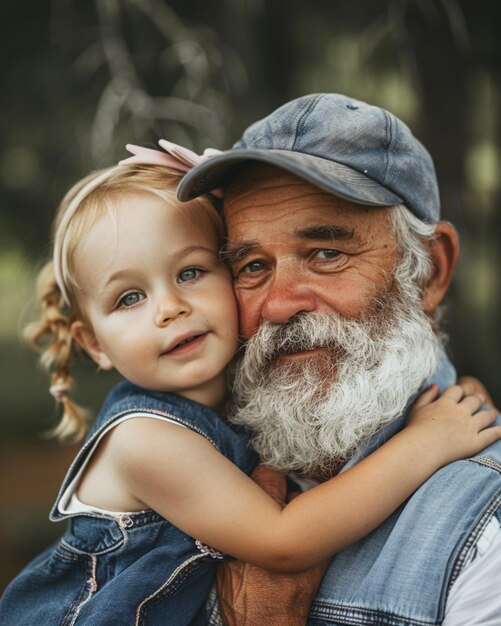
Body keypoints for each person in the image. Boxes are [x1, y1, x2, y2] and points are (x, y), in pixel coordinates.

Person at [1, 160, 498, 626]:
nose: (170, 307)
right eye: (130, 297)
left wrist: (453, 393)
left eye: (190, 272)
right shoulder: (143, 441)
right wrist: (426, 442)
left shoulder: (245, 398)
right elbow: (285, 541)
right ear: (93, 343)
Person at [176, 93, 501, 625]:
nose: (279, 305)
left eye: (327, 254)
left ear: (430, 272)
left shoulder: (485, 527)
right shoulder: (197, 460)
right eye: (253, 265)